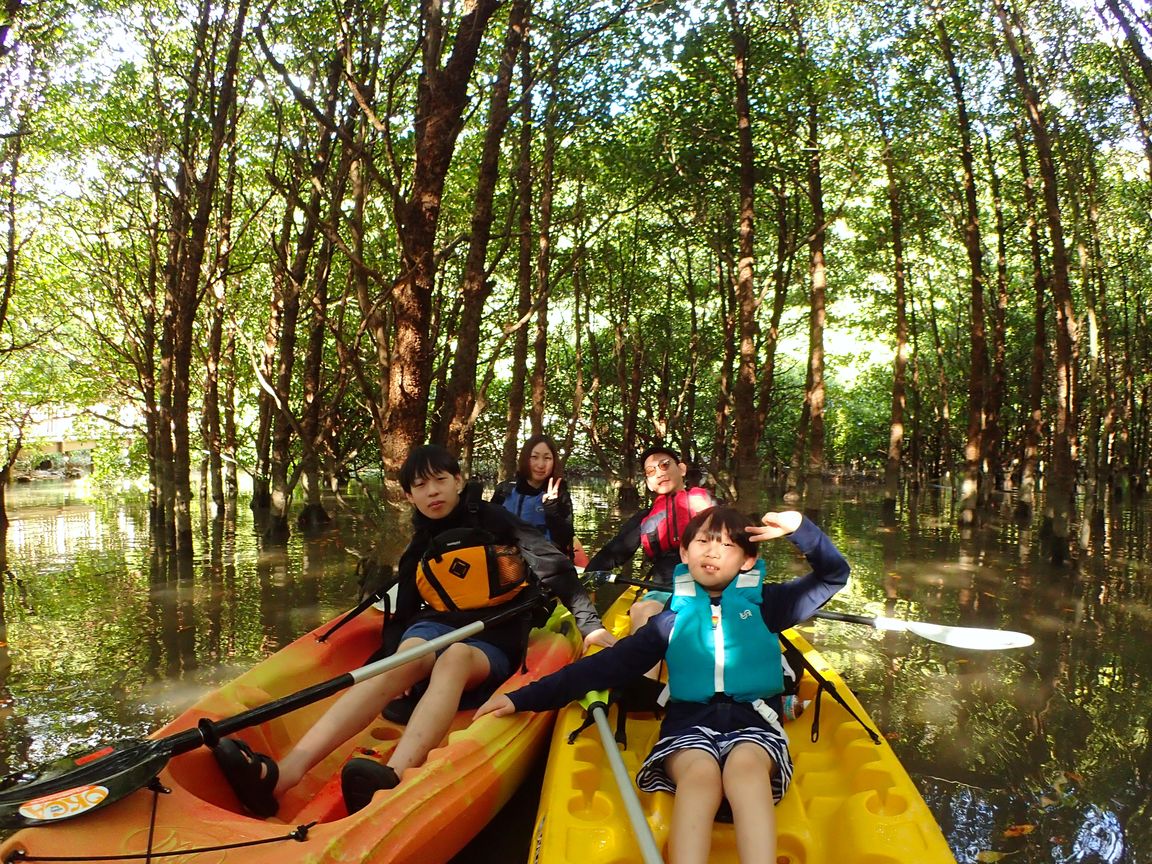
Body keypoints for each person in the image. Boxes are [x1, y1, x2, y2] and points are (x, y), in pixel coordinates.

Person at [212, 444, 614, 818]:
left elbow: (553, 565)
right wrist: (392, 657)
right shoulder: (421, 542)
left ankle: (395, 778)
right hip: (435, 625)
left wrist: (590, 625)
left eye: (440, 480)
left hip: (491, 634)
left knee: (453, 658)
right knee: (407, 657)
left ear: (458, 480)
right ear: (409, 496)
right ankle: (283, 776)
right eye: (420, 485)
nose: (432, 492)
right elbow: (402, 613)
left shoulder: (495, 520)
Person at [474, 506, 849, 864]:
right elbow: (603, 668)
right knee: (700, 775)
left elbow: (833, 575)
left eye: (727, 545)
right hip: (688, 727)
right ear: (684, 552)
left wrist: (800, 527)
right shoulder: (668, 621)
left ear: (748, 560)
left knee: (745, 770)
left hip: (756, 725)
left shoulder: (771, 604)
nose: (713, 551)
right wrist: (521, 698)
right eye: (703, 541)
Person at [584, 443, 717, 632]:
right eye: (651, 471)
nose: (659, 473)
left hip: (710, 591)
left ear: (681, 469)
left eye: (664, 465)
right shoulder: (645, 519)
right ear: (648, 483)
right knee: (641, 610)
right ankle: (646, 658)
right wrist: (587, 584)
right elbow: (613, 554)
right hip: (664, 591)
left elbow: (740, 542)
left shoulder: (711, 507)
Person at [491, 434, 587, 566]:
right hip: (508, 565)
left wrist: (551, 508)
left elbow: (565, 538)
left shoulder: (560, 494)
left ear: (554, 462)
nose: (541, 465)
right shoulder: (504, 490)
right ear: (525, 459)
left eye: (547, 458)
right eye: (534, 457)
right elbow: (488, 531)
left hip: (544, 566)